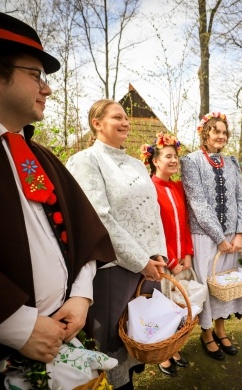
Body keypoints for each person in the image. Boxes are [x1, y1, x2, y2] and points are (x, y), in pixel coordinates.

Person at [0, 12, 116, 389]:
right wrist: (15, 325)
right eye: (35, 75)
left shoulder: (39, 156)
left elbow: (83, 230)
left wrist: (81, 296)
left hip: (59, 331)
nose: (46, 89)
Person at [66, 99, 167, 389]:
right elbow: (100, 218)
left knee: (140, 334)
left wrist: (157, 254)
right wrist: (140, 261)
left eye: (126, 118)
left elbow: (153, 209)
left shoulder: (136, 163)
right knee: (112, 342)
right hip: (114, 269)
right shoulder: (86, 161)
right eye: (117, 117)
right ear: (97, 124)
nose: (125, 122)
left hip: (149, 267)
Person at [180, 111, 242, 361]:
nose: (220, 136)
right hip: (205, 236)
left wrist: (239, 233)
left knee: (227, 285)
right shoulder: (191, 161)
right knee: (209, 285)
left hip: (232, 235)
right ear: (204, 133)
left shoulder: (232, 163)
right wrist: (220, 238)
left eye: (224, 132)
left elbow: (240, 199)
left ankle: (222, 329)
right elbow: (197, 202)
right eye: (215, 131)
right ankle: (207, 333)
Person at [140, 132, 193, 376]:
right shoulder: (149, 188)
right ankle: (163, 353)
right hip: (163, 261)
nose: (173, 160)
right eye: (168, 156)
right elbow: (153, 228)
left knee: (179, 307)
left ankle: (174, 346)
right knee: (162, 307)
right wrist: (170, 259)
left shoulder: (178, 187)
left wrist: (188, 254)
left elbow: (185, 223)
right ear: (155, 160)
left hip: (183, 260)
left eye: (175, 156)